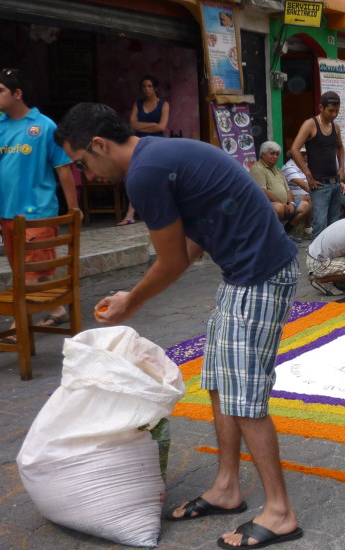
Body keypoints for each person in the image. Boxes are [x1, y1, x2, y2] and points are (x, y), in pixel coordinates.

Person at [55, 103, 303, 548]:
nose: (86, 173)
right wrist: (133, 292)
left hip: (260, 275)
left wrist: (132, 301)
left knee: (244, 397)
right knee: (220, 383)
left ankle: (280, 512)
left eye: (82, 162)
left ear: (98, 145)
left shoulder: (144, 173)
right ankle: (227, 487)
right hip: (244, 273)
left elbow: (170, 261)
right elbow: (190, 243)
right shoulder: (155, 156)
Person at [0, 68, 79, 335]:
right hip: (8, 213)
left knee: (27, 270)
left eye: (0, 90)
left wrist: (74, 209)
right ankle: (56, 309)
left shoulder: (45, 126)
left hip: (40, 213)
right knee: (27, 268)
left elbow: (64, 169)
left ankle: (19, 323)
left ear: (18, 94)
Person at [290, 91, 345, 239]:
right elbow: (294, 149)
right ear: (321, 107)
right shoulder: (310, 124)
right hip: (319, 185)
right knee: (320, 224)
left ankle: (331, 257)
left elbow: (340, 147)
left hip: (335, 183)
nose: (334, 114)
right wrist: (308, 175)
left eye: (337, 111)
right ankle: (317, 258)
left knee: (334, 224)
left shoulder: (336, 127)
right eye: (330, 111)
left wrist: (341, 168)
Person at [119, 75, 170, 226]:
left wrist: (143, 125)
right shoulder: (138, 103)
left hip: (157, 143)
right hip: (138, 143)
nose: (146, 89)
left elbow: (161, 127)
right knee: (135, 174)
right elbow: (132, 124)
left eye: (149, 86)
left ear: (155, 88)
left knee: (157, 176)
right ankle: (130, 214)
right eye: (144, 86)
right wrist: (151, 124)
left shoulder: (163, 104)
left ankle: (157, 210)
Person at [250, 141, 310, 237]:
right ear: (263, 154)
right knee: (279, 208)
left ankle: (286, 232)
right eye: (272, 153)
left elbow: (288, 190)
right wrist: (282, 204)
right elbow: (263, 192)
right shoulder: (257, 169)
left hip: (284, 205)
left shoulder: (278, 170)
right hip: (265, 206)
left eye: (277, 154)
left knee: (305, 205)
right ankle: (274, 236)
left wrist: (291, 203)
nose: (275, 157)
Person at [281, 147, 313, 239]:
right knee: (309, 197)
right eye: (302, 154)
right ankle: (308, 229)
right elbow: (304, 186)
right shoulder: (288, 167)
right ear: (293, 156)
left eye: (306, 154)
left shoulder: (306, 165)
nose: (305, 156)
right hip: (295, 195)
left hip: (306, 193)